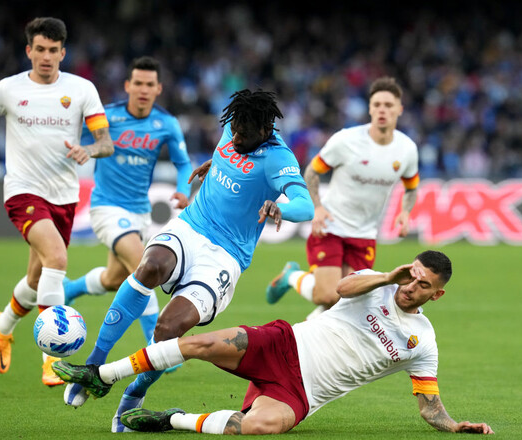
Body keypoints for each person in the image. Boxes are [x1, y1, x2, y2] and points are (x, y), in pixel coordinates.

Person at [62, 88, 314, 432]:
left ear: (265, 130)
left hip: (225, 256)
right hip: (191, 225)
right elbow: (232, 158)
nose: (235, 138)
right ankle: (94, 366)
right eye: (234, 130)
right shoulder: (234, 129)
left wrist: (280, 207)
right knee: (150, 266)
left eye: (244, 135)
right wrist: (216, 165)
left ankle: (135, 394)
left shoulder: (278, 158)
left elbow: (305, 205)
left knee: (169, 328)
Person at [53, 250, 494, 435]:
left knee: (257, 427)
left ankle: (171, 420)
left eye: (423, 285)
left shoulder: (423, 342)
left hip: (301, 393)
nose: (411, 287)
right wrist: (386, 276)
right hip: (283, 344)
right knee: (199, 344)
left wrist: (455, 425)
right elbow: (339, 290)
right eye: (411, 276)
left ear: (437, 294)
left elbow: (429, 406)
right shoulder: (376, 284)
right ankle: (102, 376)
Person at [0, 17, 113, 386]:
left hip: (64, 196)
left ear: (63, 52)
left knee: (36, 278)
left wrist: (89, 149)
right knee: (57, 259)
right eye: (40, 49)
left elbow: (106, 143)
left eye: (53, 50)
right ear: (29, 50)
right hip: (23, 191)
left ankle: (2, 325)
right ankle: (52, 359)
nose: (46, 56)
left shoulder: (81, 89)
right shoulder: (7, 89)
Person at [62, 56, 192, 346]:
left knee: (114, 279)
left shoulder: (166, 123)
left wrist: (184, 190)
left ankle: (70, 289)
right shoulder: (107, 117)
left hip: (140, 213)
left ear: (158, 88)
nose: (143, 89)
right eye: (138, 83)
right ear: (127, 85)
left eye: (149, 84)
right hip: (106, 207)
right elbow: (69, 135)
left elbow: (183, 163)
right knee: (143, 267)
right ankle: (157, 348)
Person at [266, 77, 419, 319]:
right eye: (377, 104)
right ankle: (291, 276)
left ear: (399, 109)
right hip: (331, 225)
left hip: (365, 233)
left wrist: (405, 212)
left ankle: (309, 327)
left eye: (388, 105)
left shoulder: (407, 149)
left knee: (348, 300)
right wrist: (317, 208)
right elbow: (312, 171)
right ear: (370, 108)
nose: (382, 110)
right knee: (328, 295)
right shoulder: (346, 140)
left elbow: (411, 187)